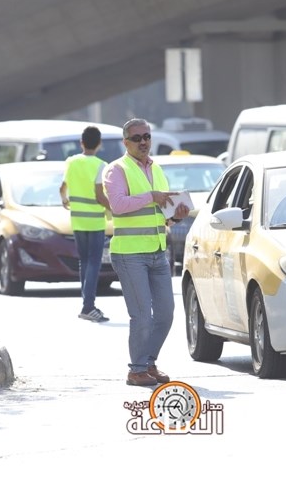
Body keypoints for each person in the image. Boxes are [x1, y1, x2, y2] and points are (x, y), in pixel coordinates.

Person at [103, 118, 190, 386]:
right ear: (125, 142)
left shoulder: (157, 169)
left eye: (147, 136)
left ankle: (149, 363)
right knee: (141, 315)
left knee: (166, 313)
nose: (143, 142)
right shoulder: (116, 170)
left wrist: (175, 215)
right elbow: (117, 205)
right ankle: (137, 369)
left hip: (157, 251)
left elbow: (161, 214)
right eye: (137, 138)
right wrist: (151, 196)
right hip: (129, 255)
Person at [60, 126, 111, 323]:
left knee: (84, 262)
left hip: (77, 220)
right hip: (95, 221)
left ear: (81, 142)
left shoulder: (71, 162)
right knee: (94, 262)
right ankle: (88, 306)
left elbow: (62, 187)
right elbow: (99, 196)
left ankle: (87, 303)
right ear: (99, 144)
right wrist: (114, 208)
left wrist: (64, 199)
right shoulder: (100, 165)